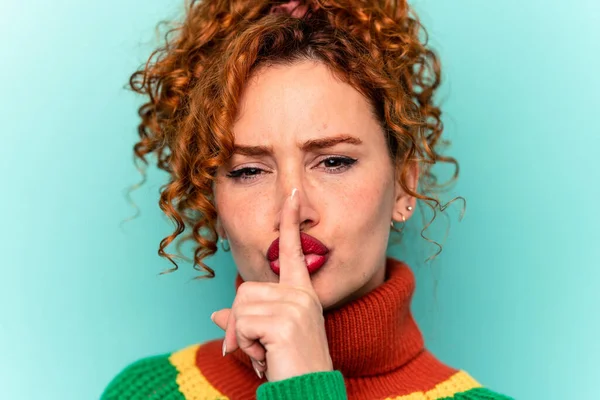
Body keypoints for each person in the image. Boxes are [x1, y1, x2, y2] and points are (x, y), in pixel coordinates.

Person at [101, 0, 513, 398]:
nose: (290, 211)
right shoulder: (151, 392)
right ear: (214, 205)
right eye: (248, 171)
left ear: (404, 185)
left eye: (333, 161)